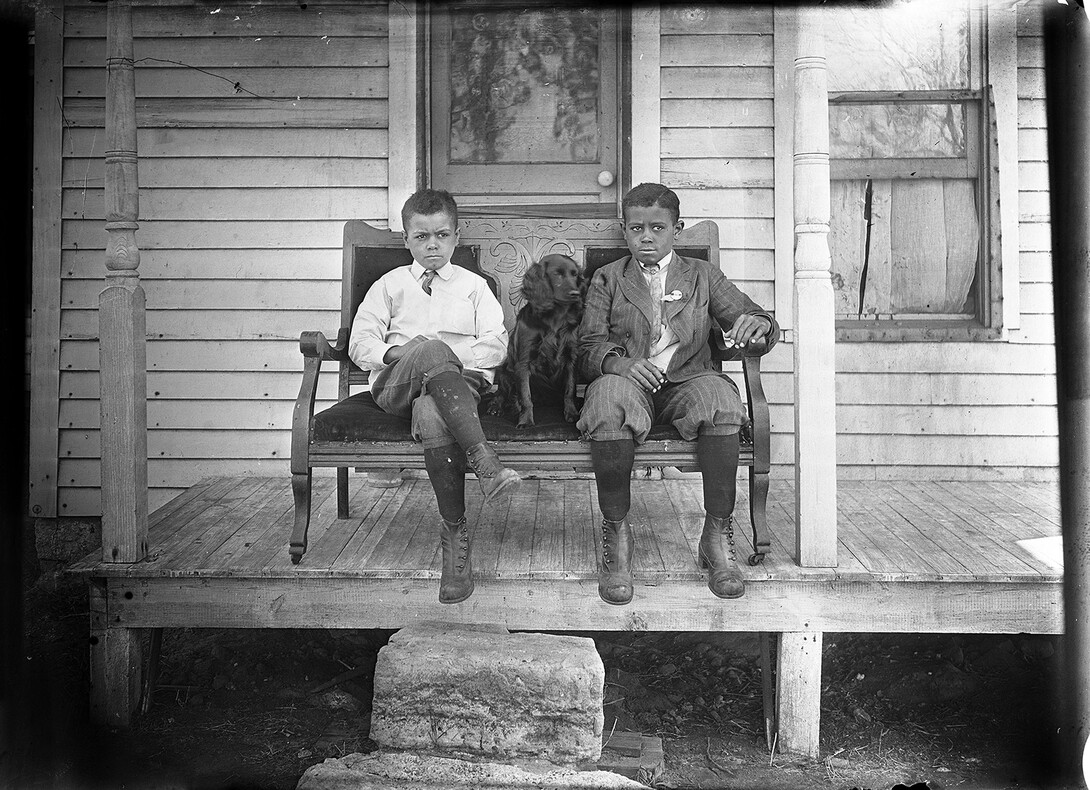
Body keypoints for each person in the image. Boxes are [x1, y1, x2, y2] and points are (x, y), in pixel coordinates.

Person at [577, 183, 779, 605]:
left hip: (686, 381)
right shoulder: (609, 278)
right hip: (629, 382)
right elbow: (588, 345)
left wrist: (760, 325)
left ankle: (716, 540)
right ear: (624, 230)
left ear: (677, 229)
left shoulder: (703, 276)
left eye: (656, 228)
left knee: (721, 400)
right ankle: (618, 539)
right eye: (635, 229)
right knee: (605, 402)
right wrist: (620, 363)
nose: (645, 237)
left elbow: (750, 314)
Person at [348, 189, 520, 605]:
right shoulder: (388, 285)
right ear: (407, 239)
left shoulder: (475, 286)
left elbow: (496, 346)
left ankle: (455, 537)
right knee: (427, 351)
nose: (432, 246)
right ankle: (482, 457)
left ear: (456, 237)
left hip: (460, 390)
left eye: (442, 236)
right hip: (398, 385)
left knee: (433, 407)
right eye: (421, 237)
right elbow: (360, 343)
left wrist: (443, 359)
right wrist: (410, 353)